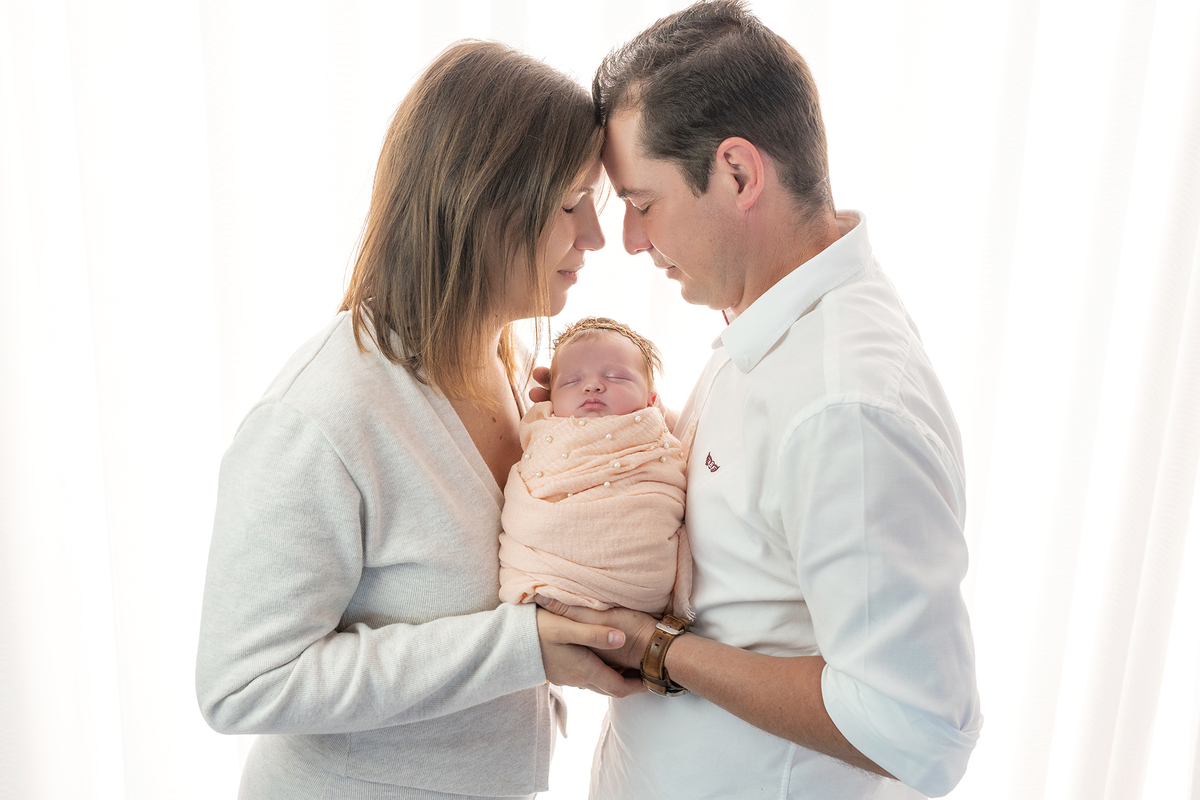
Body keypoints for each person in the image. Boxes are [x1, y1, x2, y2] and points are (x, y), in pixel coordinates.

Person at [538, 2, 983, 798]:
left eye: (642, 204)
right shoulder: (768, 324)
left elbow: (916, 727)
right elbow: (756, 538)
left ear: (739, 173)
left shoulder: (843, 405)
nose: (631, 242)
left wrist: (660, 651)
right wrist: (608, 435)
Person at [194, 41, 645, 800]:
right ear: (480, 203)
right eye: (571, 205)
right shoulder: (321, 418)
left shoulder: (504, 368)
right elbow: (243, 684)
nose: (595, 240)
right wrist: (520, 648)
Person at [498, 317, 691, 617]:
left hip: (639, 582)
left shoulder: (658, 439)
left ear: (652, 401)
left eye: (616, 376)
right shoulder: (544, 430)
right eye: (571, 382)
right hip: (543, 582)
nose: (592, 386)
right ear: (550, 400)